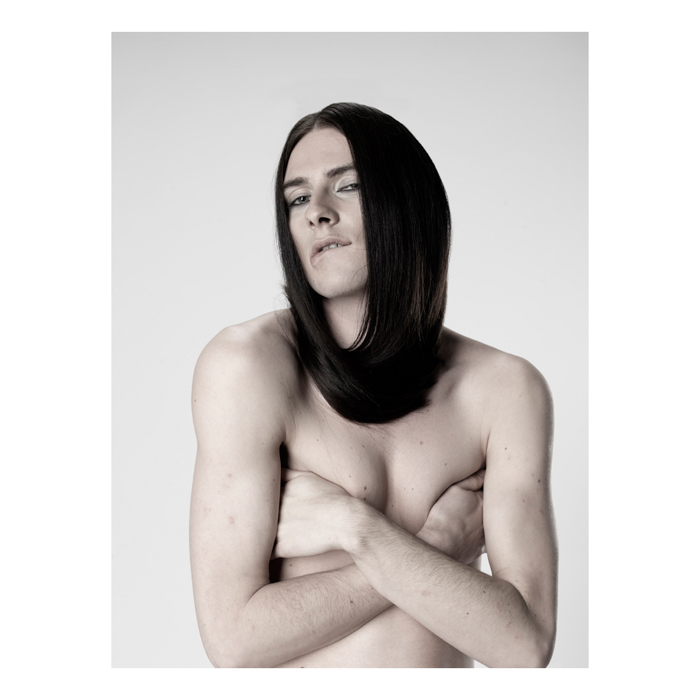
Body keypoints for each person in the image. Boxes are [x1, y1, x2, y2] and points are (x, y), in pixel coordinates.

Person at [189, 103, 558, 668]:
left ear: (407, 204)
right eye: (297, 198)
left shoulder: (505, 390)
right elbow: (233, 639)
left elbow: (524, 645)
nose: (318, 212)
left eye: (348, 186)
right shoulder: (247, 367)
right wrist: (437, 548)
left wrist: (356, 528)